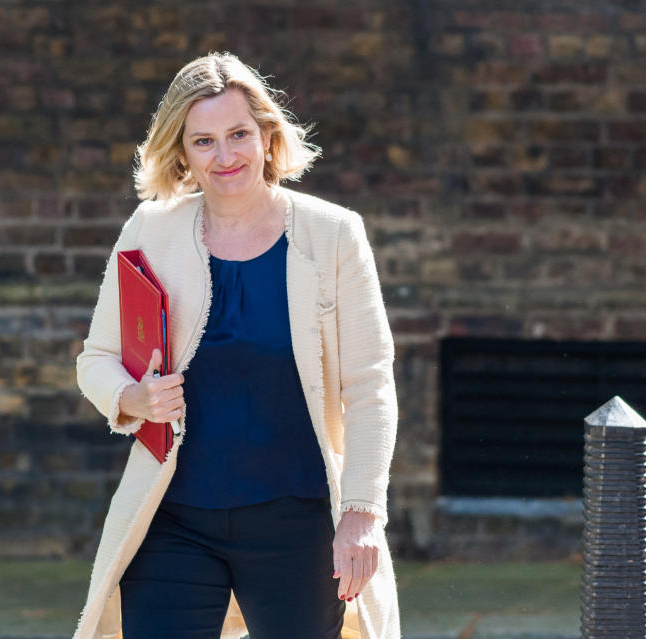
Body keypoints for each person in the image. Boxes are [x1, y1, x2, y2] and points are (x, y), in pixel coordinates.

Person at [72, 52, 400, 639]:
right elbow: (95, 360)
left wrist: (361, 514)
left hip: (298, 523)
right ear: (181, 152)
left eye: (238, 134)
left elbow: (371, 386)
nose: (225, 157)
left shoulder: (334, 235)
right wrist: (133, 398)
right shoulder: (150, 228)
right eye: (204, 141)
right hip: (172, 520)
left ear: (267, 137)